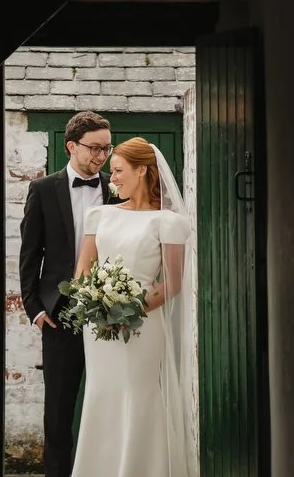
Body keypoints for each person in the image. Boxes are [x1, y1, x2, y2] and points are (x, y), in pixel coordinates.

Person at [70, 137, 197, 477]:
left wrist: (129, 311)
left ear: (142, 170)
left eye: (119, 170)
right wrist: (96, 304)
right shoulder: (99, 215)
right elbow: (83, 269)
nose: (113, 178)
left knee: (137, 391)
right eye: (112, 172)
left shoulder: (168, 222)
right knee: (102, 390)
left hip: (142, 324)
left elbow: (171, 282)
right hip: (97, 326)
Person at [19, 111, 113, 477]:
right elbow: (30, 254)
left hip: (110, 310)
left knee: (107, 402)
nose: (102, 156)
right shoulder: (43, 190)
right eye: (94, 148)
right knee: (58, 411)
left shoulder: (116, 190)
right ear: (71, 146)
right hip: (60, 314)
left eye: (107, 148)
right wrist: (34, 309)